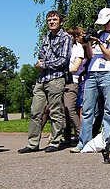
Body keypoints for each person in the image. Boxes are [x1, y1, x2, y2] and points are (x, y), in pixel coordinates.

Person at [19, 11, 73, 154]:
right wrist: (41, 63)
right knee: (35, 111)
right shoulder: (46, 38)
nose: (51, 22)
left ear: (60, 22)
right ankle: (33, 143)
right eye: (49, 20)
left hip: (55, 78)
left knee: (55, 111)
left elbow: (63, 60)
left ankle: (55, 141)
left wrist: (44, 65)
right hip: (42, 79)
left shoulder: (65, 38)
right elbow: (41, 56)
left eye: (54, 19)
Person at [72, 8, 110, 153]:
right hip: (92, 72)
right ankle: (84, 142)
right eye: (102, 23)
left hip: (108, 72)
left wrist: (99, 43)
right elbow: (90, 56)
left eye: (106, 23)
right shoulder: (99, 34)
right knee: (87, 109)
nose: (104, 26)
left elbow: (109, 55)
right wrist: (87, 43)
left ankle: (109, 141)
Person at [63, 27, 85, 146]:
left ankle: (80, 134)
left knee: (70, 108)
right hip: (60, 81)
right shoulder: (63, 48)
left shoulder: (78, 48)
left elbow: (75, 68)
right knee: (62, 111)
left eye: (70, 36)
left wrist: (61, 71)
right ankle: (66, 137)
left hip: (72, 81)